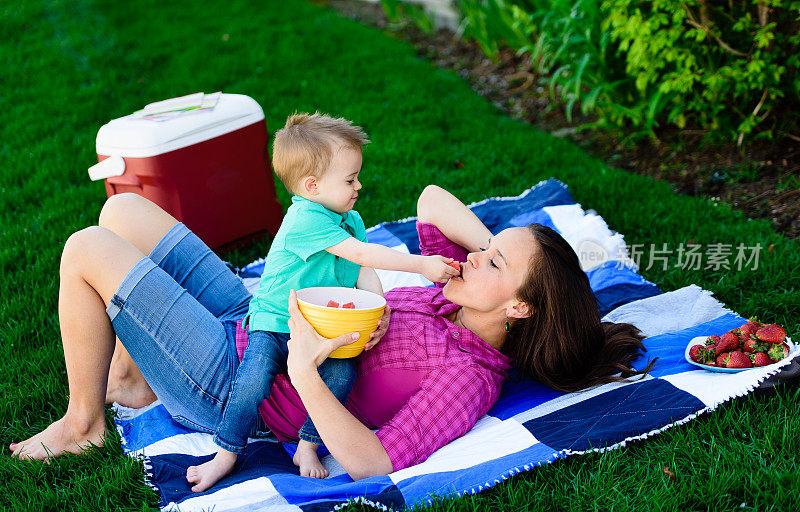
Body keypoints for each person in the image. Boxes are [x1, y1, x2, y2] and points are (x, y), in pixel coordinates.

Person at [9, 183, 654, 484]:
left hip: (239, 382)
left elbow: (377, 459)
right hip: (253, 318)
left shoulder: (469, 378)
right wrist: (494, 255)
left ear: (518, 311)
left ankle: (85, 423)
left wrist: (306, 375)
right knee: (121, 210)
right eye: (484, 250)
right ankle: (129, 377)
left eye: (493, 264)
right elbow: (430, 201)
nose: (474, 256)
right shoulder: (448, 290)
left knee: (87, 247)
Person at [193, 112, 458, 488]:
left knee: (342, 374)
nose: (359, 186)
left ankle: (307, 443)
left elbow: (363, 271)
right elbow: (365, 256)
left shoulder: (347, 218)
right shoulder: (305, 218)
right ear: (312, 186)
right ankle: (227, 451)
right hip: (275, 322)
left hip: (322, 326)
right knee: (253, 379)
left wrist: (376, 310)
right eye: (350, 179)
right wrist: (420, 264)